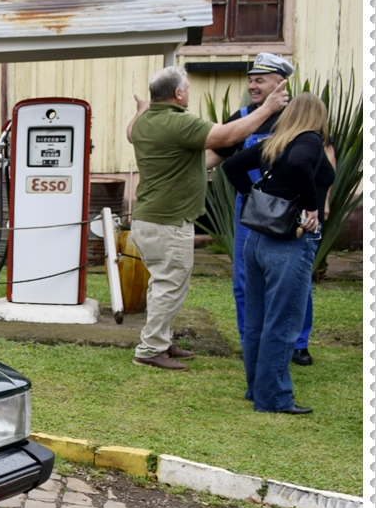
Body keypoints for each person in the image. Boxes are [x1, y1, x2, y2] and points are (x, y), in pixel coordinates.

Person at [125, 65, 288, 370]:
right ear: (177, 93)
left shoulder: (145, 121)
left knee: (163, 284)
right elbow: (228, 136)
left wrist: (141, 109)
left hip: (149, 220)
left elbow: (130, 133)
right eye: (187, 87)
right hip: (168, 222)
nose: (189, 92)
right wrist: (267, 108)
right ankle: (150, 350)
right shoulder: (179, 122)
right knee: (169, 285)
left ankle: (160, 340)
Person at [222, 92, 333, 414]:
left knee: (257, 319)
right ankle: (273, 397)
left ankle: (257, 387)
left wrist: (256, 197)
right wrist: (311, 206)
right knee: (283, 321)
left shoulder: (275, 142)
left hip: (256, 240)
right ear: (318, 116)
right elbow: (299, 164)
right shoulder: (310, 139)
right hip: (290, 240)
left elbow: (232, 165)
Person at [208, 53, 314, 366]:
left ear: (280, 83)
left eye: (260, 80)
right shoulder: (241, 117)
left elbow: (324, 155)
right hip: (251, 210)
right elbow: (217, 154)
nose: (252, 86)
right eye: (250, 80)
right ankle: (250, 341)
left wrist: (320, 203)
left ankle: (298, 344)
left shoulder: (298, 116)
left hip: (292, 210)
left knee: (294, 276)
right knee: (245, 279)